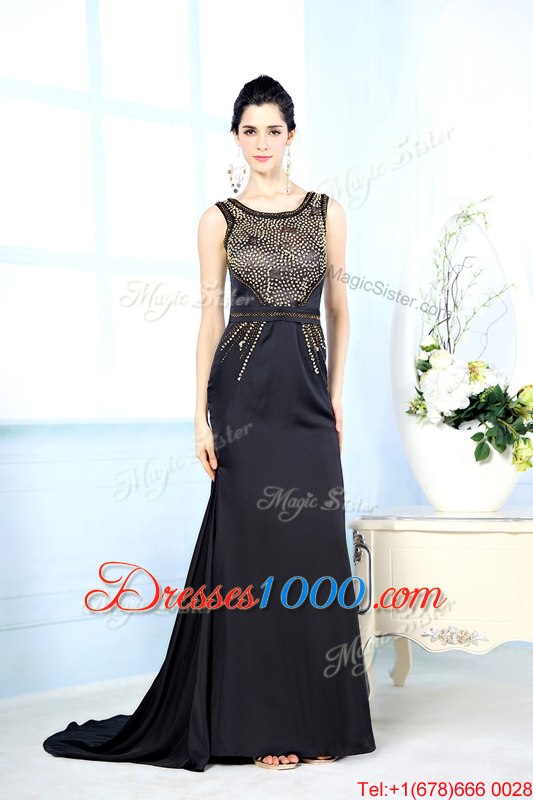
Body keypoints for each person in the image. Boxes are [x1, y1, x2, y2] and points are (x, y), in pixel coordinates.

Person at [43, 74, 376, 772]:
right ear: (235, 137)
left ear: (291, 135)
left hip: (308, 397)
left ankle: (320, 722)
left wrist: (337, 394)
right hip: (242, 398)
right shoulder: (217, 219)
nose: (261, 142)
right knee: (252, 558)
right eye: (249, 130)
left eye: (273, 130)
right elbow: (208, 319)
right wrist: (198, 417)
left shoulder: (328, 213)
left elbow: (340, 311)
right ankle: (262, 728)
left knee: (311, 551)